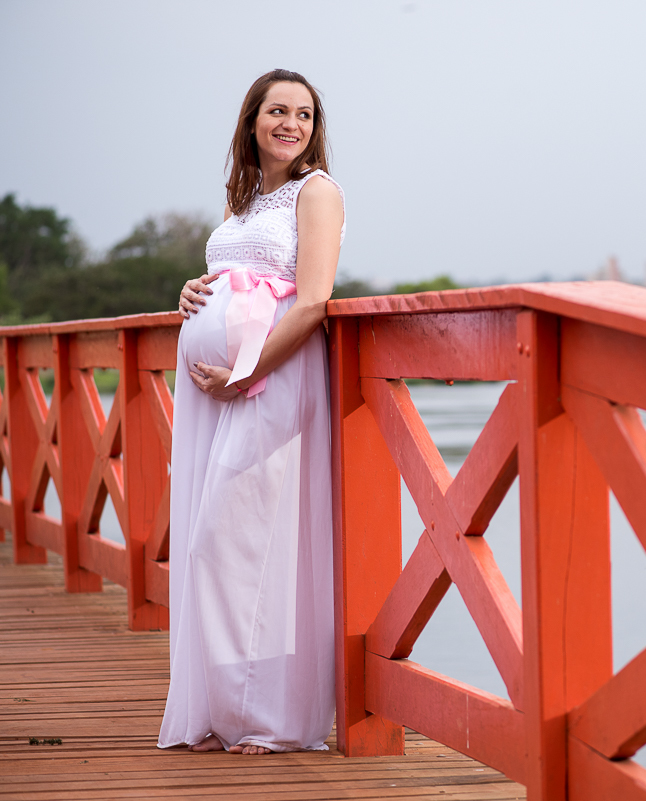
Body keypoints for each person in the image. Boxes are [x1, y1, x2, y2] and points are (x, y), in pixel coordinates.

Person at [157, 69, 345, 756]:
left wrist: (246, 373)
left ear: (314, 128)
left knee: (242, 543)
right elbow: (240, 275)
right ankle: (225, 709)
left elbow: (313, 300)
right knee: (216, 546)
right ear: (252, 121)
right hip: (218, 390)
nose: (290, 123)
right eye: (277, 111)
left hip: (271, 383)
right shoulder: (245, 200)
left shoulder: (315, 193)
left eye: (303, 113)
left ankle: (274, 717)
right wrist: (192, 292)